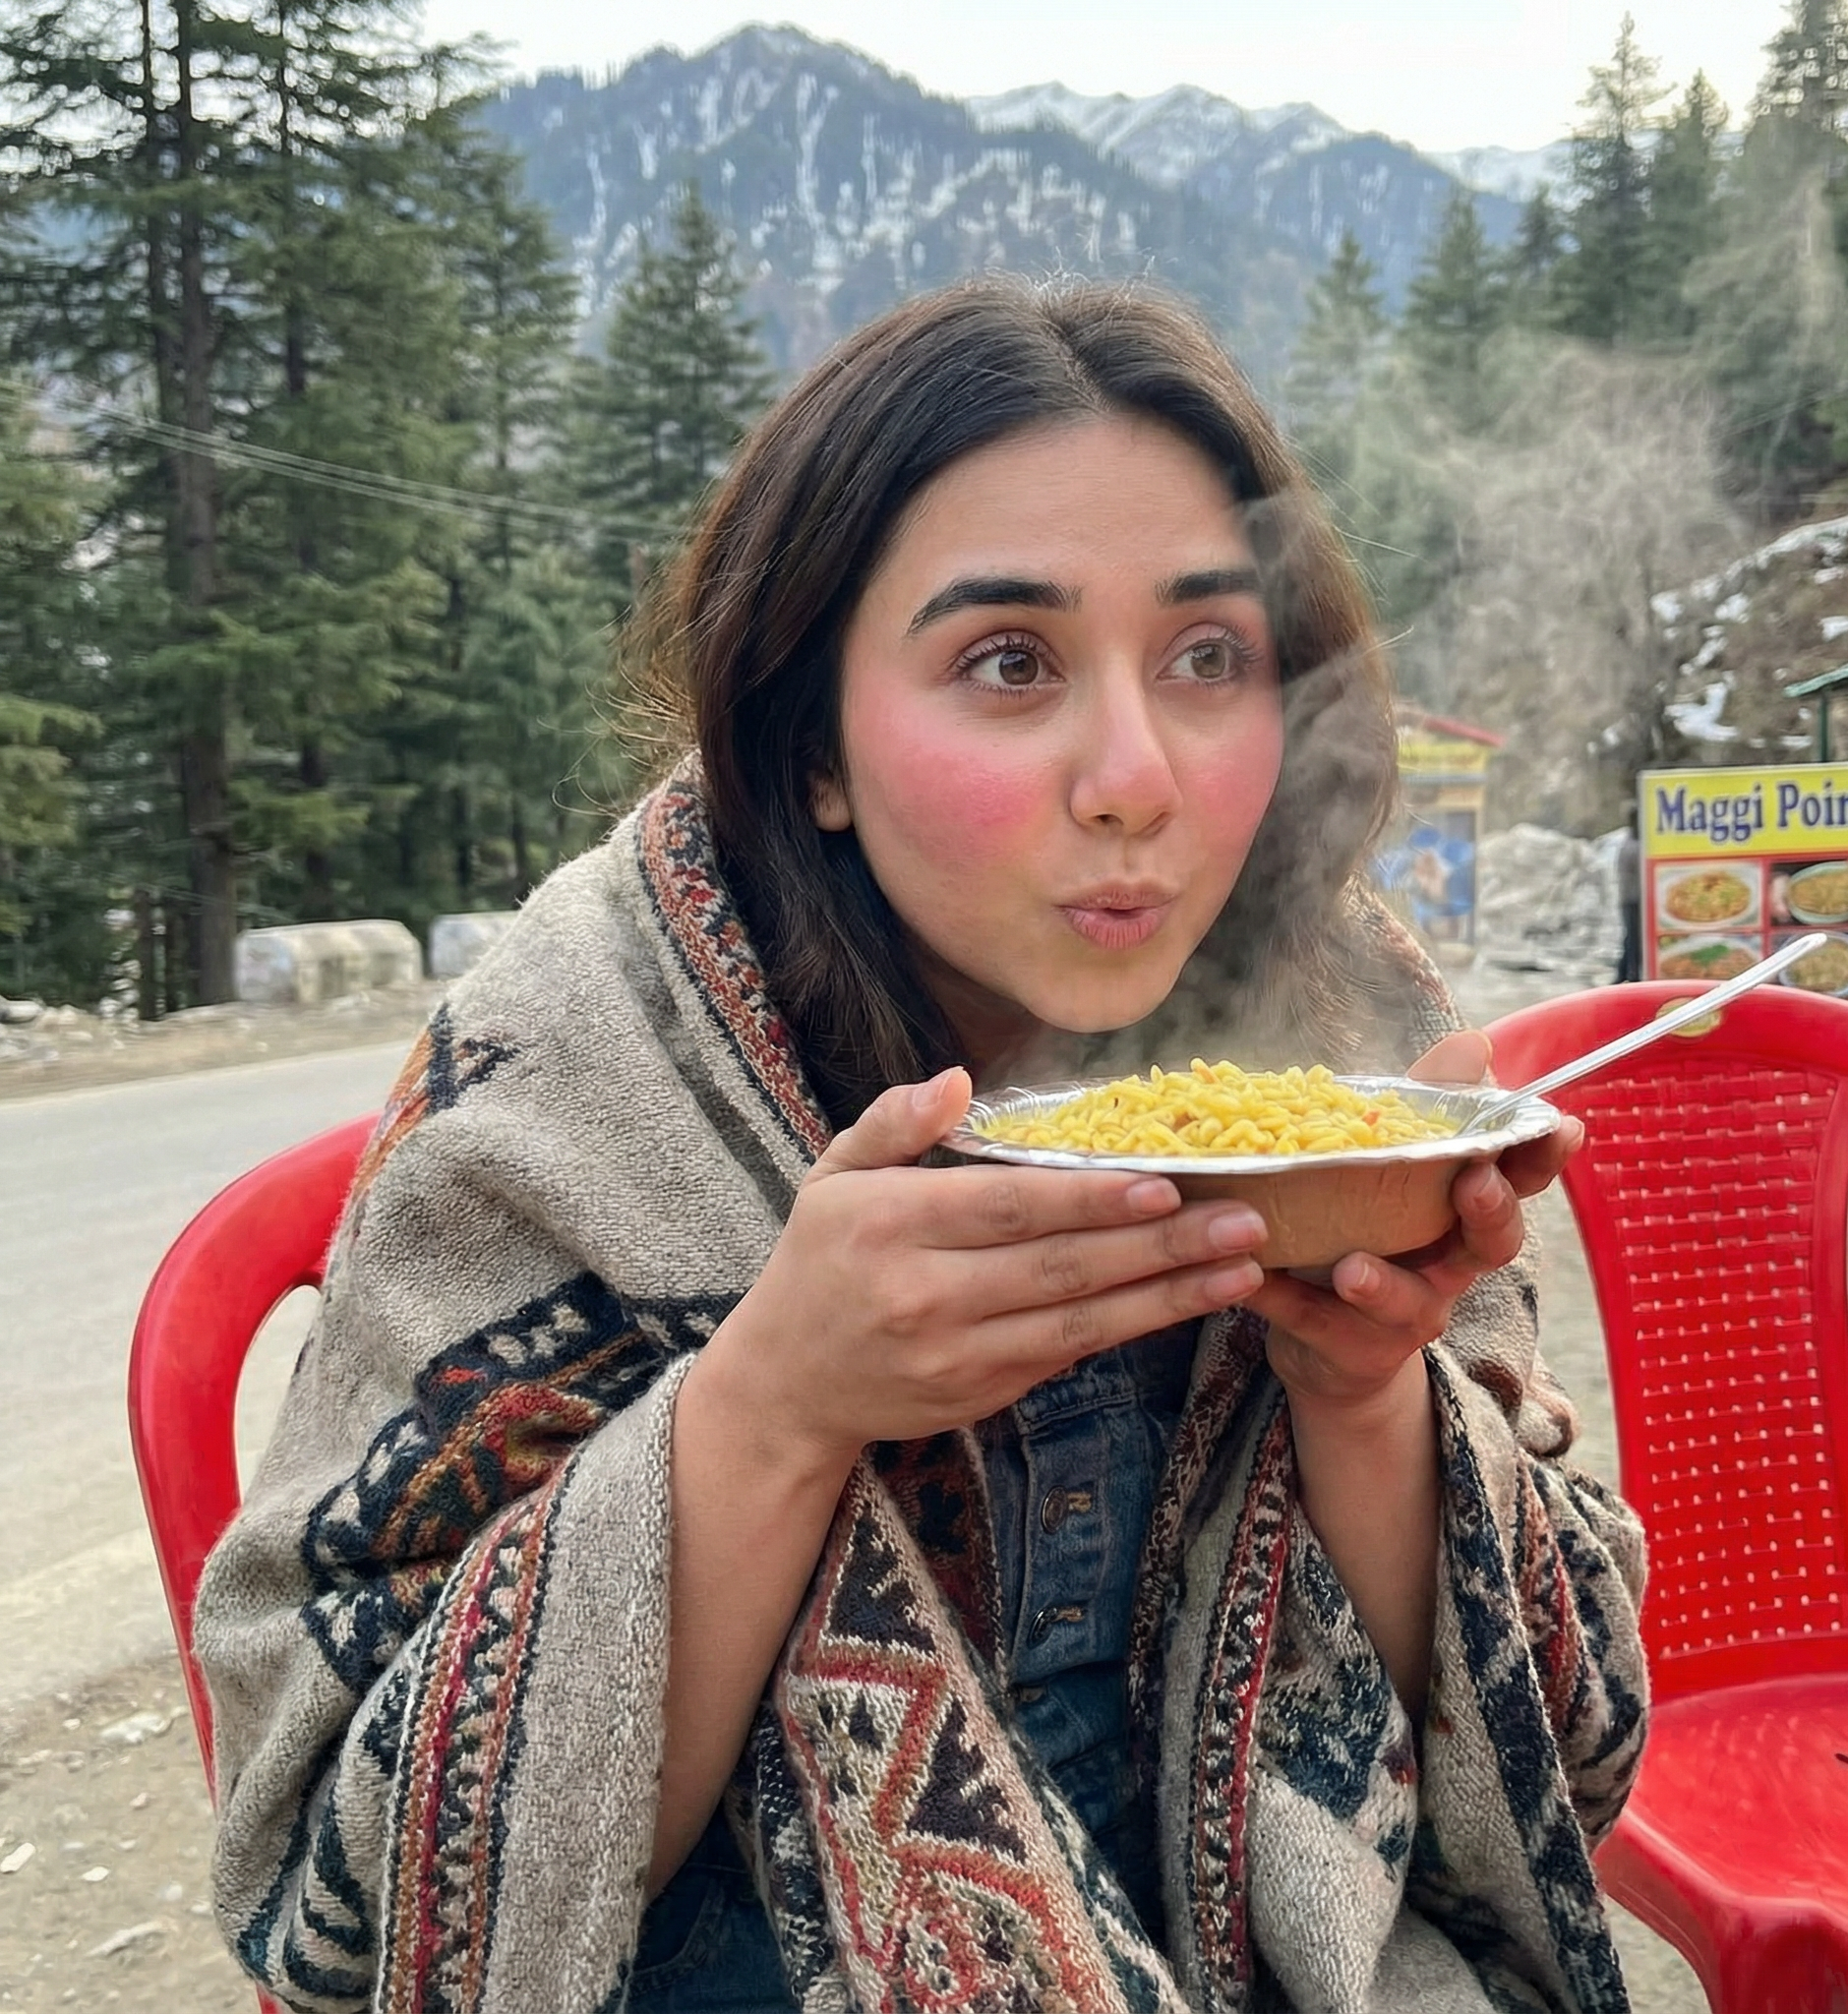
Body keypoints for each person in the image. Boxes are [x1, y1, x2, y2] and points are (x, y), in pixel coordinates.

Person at [195, 277, 1647, 2014]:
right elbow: (341, 1907)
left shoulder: (1343, 1040)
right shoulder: (574, 1069)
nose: (1134, 776)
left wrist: (1362, 1397)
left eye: (1207, 656)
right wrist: (771, 1409)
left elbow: (1569, 1747)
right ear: (811, 745)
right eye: (1007, 660)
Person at [1615, 807, 1643, 984]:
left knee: (1630, 938)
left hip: (1629, 899)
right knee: (1634, 939)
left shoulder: (1628, 843)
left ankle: (1623, 973)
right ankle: (1631, 975)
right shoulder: (1634, 847)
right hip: (1634, 900)